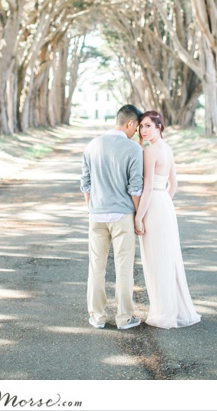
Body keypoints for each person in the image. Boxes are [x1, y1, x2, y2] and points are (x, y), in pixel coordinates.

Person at [134, 110, 201, 329]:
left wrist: (139, 217)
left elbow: (146, 189)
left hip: (154, 205)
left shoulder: (151, 151)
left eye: (148, 126)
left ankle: (164, 313)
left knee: (156, 260)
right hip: (164, 204)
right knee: (167, 258)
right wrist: (164, 202)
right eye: (141, 126)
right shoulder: (167, 148)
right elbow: (174, 185)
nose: (143, 131)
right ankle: (171, 308)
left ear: (159, 127)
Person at [81, 104, 144, 330]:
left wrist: (92, 209)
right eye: (136, 127)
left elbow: (85, 184)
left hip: (96, 215)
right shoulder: (134, 149)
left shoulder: (92, 145)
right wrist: (138, 216)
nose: (136, 132)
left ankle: (96, 317)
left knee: (96, 268)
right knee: (124, 268)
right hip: (122, 216)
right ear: (130, 123)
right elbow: (135, 188)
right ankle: (124, 318)